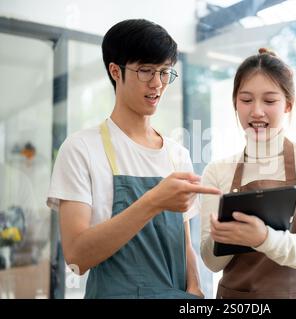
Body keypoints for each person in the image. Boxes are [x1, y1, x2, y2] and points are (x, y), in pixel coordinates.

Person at [47, 19, 221, 299]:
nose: (157, 84)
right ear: (116, 71)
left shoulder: (178, 154)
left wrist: (195, 289)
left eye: (165, 72)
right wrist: (153, 201)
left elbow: (184, 240)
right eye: (145, 71)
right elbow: (76, 257)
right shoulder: (81, 149)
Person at [200, 48, 296, 299]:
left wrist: (264, 238)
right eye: (246, 100)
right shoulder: (217, 171)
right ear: (235, 104)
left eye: (270, 101)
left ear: (288, 105)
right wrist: (221, 237)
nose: (257, 111)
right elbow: (212, 263)